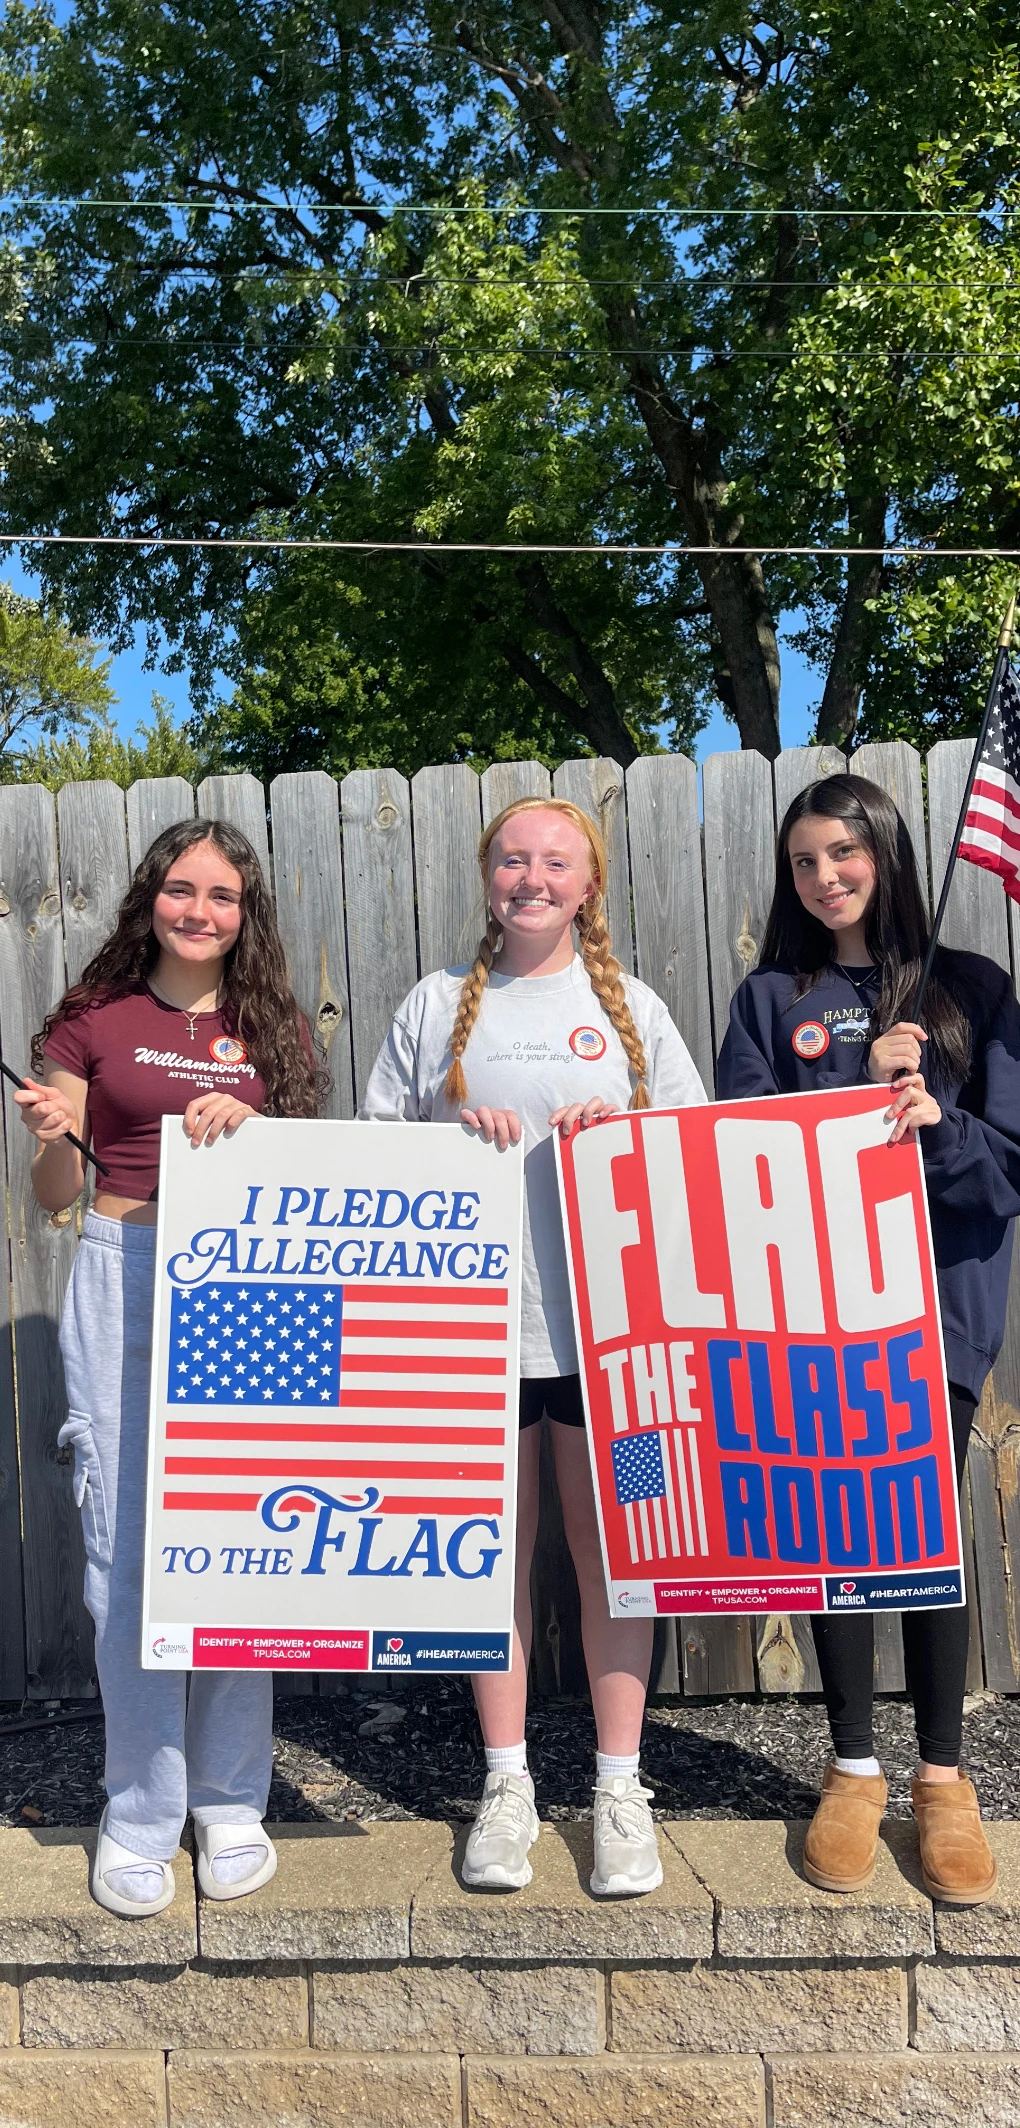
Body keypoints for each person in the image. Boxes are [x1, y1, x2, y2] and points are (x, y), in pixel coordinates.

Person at [361, 796, 708, 1895]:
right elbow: (371, 1156)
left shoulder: (633, 1010)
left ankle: (618, 1786)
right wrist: (448, 1139)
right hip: (472, 1341)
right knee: (490, 1561)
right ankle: (505, 1783)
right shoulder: (433, 1009)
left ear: (588, 883)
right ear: (486, 875)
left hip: (614, 1345)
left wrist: (629, 1138)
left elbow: (696, 1149)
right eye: (513, 858)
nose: (532, 877)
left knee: (616, 1555)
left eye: (556, 861)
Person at [718, 772, 1020, 1904]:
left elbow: (1009, 1173)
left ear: (887, 854)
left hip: (934, 1313)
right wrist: (854, 1087)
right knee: (833, 1527)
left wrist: (933, 1124)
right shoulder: (765, 999)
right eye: (804, 860)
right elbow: (747, 1156)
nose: (825, 876)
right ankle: (851, 1766)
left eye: (844, 852)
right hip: (810, 1311)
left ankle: (943, 1778)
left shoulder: (974, 991)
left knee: (925, 1535)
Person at [16, 819, 323, 1918]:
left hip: (249, 1287)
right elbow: (56, 1195)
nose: (200, 910)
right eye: (181, 889)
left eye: (223, 895)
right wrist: (58, 1128)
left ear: (248, 911)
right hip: (123, 1263)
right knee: (125, 1558)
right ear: (152, 897)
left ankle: (231, 1799)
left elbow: (315, 1179)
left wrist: (257, 1124)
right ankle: (141, 1808)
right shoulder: (93, 1021)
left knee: (243, 1540)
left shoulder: (272, 1025)